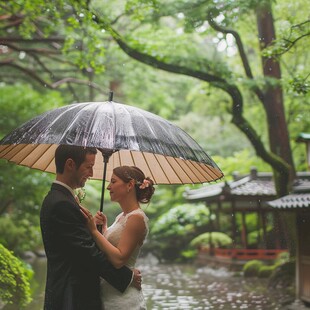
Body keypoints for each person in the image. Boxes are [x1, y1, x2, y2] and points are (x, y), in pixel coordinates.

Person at [40, 145, 141, 310]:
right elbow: (87, 254)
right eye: (89, 167)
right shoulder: (61, 204)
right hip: (72, 297)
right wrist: (128, 277)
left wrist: (94, 230)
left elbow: (75, 244)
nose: (92, 173)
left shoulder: (62, 199)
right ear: (70, 164)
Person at [80, 165, 155, 310]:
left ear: (130, 185)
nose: (108, 187)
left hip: (123, 299)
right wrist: (104, 228)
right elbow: (110, 248)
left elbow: (119, 259)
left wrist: (94, 231)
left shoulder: (137, 218)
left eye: (113, 182)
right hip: (110, 292)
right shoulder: (122, 216)